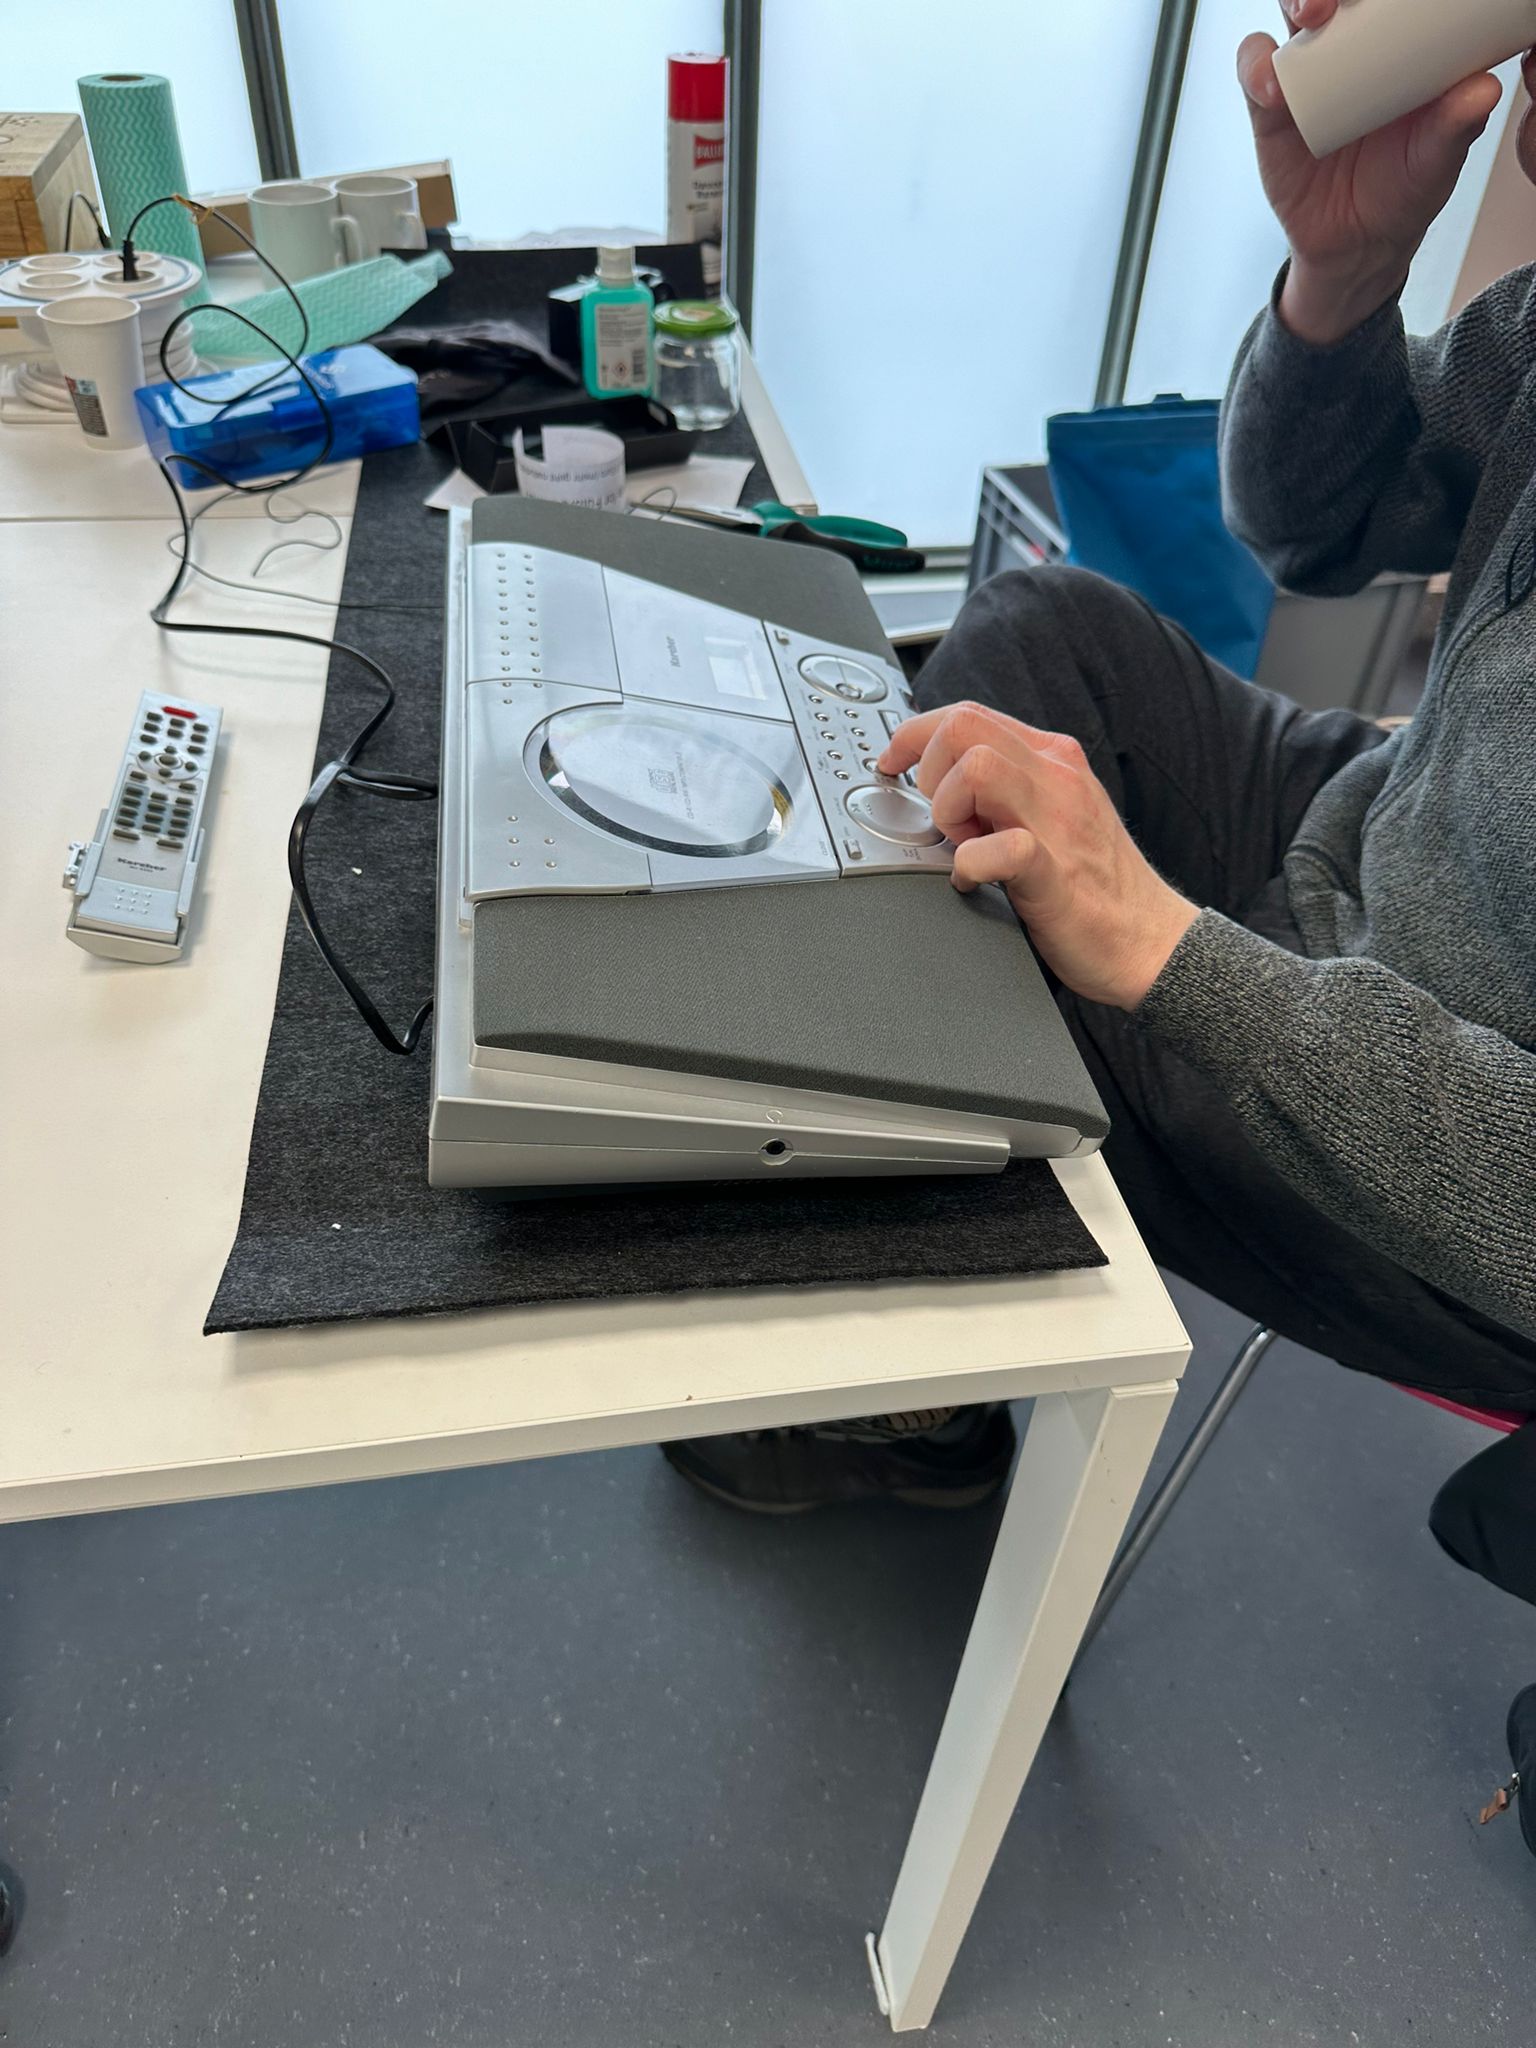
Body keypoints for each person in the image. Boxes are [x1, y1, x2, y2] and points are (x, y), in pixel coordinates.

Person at [662, 0, 1536, 1850]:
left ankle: (913, 1387)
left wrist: (1163, 950)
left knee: (1017, 965)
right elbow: (1315, 526)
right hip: (1368, 846)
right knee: (1039, 646)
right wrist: (1340, 281)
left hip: (1459, 1160)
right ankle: (934, 1331)